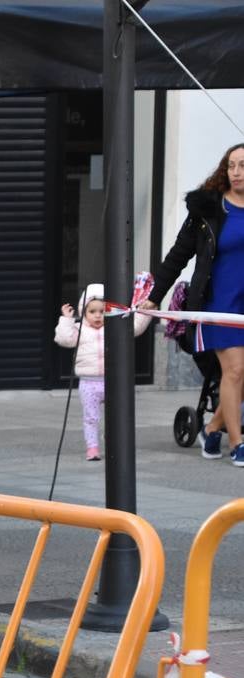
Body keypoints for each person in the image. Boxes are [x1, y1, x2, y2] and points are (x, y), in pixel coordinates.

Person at [150, 143, 244, 465]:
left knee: (241, 375)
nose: (236, 172)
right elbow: (179, 254)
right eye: (231, 166)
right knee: (234, 370)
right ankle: (238, 443)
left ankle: (212, 429)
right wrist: (153, 294)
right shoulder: (208, 210)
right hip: (218, 304)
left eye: (242, 166)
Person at [54, 284, 154, 462]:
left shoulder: (115, 327)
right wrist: (66, 319)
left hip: (114, 380)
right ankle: (92, 448)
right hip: (88, 382)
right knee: (91, 417)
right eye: (92, 311)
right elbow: (64, 339)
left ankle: (114, 443)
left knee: (117, 416)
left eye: (102, 311)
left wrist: (144, 311)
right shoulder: (79, 330)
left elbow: (136, 327)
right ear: (83, 311)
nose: (98, 315)